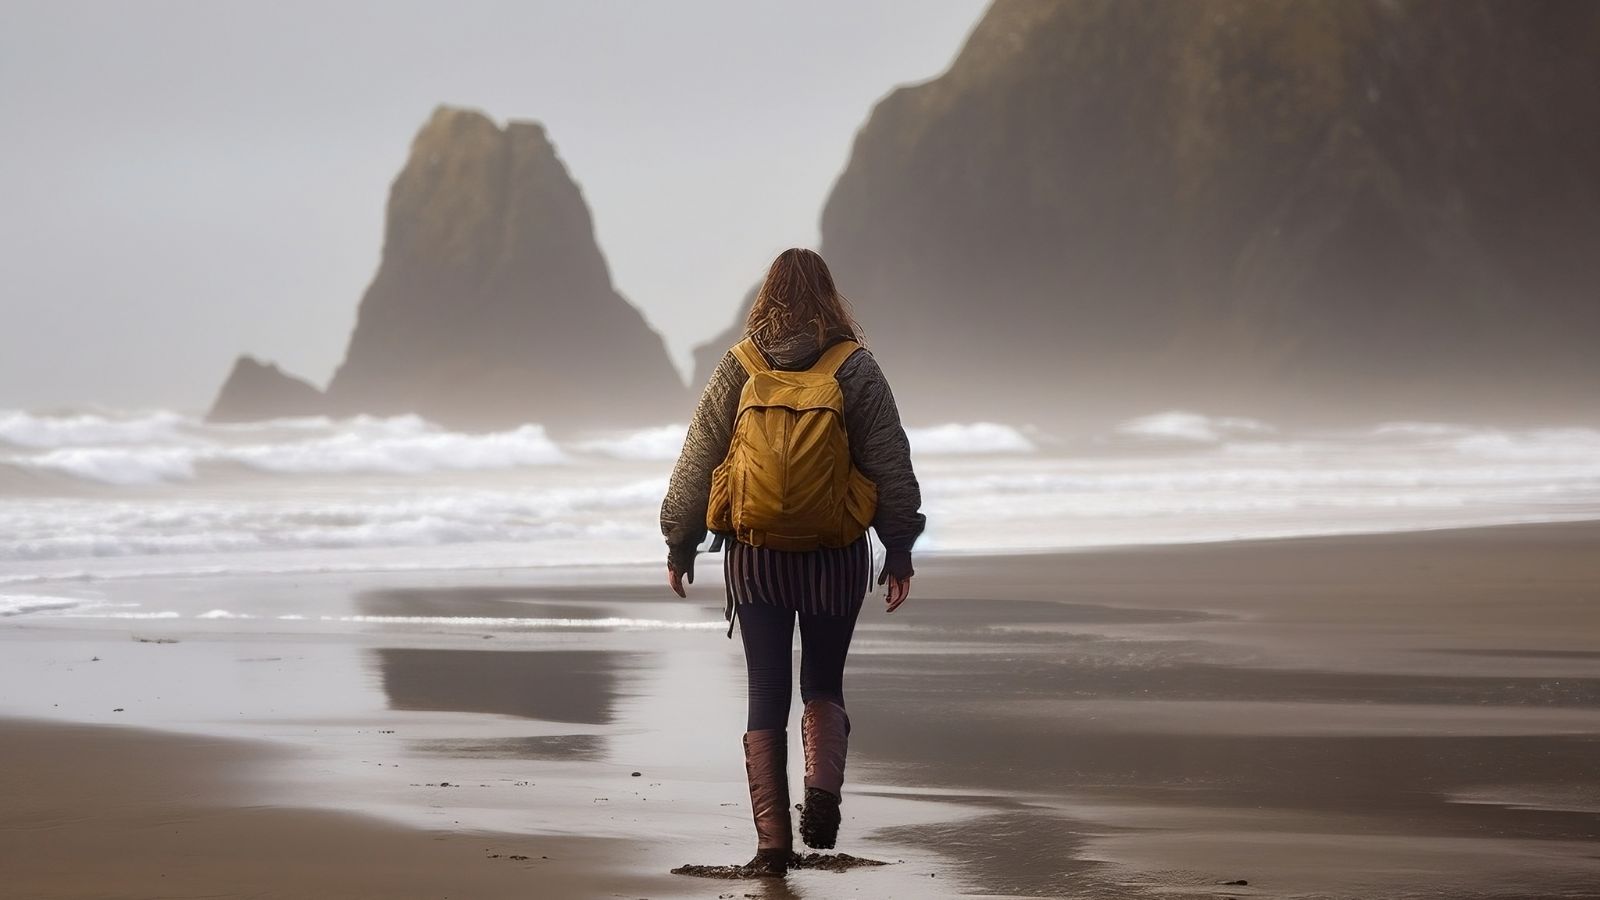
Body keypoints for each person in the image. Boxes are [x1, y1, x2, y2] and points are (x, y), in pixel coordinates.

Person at [659, 247, 925, 877]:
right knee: (823, 682)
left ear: (766, 296)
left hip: (756, 557)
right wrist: (900, 545)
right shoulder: (853, 366)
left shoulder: (740, 364)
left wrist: (679, 539)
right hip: (835, 553)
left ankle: (772, 843)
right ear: (831, 298)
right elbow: (889, 458)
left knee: (766, 689)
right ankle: (823, 796)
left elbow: (698, 457)